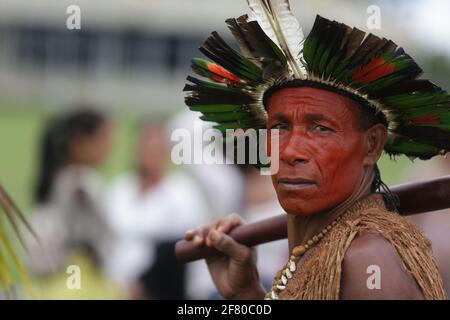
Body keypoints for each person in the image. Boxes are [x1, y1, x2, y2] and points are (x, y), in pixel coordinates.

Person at [182, 1, 449, 300]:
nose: (291, 151)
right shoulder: (327, 249)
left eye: (321, 128)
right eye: (280, 127)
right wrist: (246, 293)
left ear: (372, 144)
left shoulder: (369, 261)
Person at [103, 120, 210, 299]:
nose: (151, 154)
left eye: (156, 147)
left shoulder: (183, 192)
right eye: (145, 146)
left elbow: (183, 249)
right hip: (112, 284)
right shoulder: (119, 189)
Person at [27, 108, 114, 276]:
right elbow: (87, 240)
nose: (110, 145)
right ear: (78, 142)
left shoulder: (60, 178)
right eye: (103, 138)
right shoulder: (81, 184)